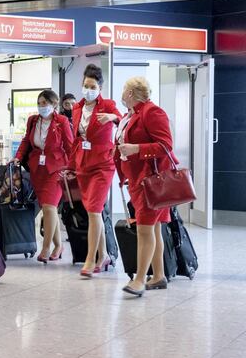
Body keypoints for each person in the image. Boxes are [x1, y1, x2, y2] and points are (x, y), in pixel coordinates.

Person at [115, 76, 176, 297]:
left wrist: (136, 149)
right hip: (138, 179)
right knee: (154, 227)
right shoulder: (130, 115)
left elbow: (166, 145)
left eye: (124, 89)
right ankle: (158, 275)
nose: (122, 93)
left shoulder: (152, 112)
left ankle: (140, 279)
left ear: (130, 93)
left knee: (144, 228)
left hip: (151, 181)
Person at [71, 64, 121, 277]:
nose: (88, 89)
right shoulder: (77, 108)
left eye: (92, 86)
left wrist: (112, 117)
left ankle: (90, 259)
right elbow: (76, 140)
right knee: (95, 212)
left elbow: (122, 118)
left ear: (100, 87)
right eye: (85, 85)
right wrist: (70, 165)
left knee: (93, 210)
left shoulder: (108, 105)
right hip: (83, 164)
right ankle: (104, 256)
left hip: (102, 164)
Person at [14, 89, 73, 263]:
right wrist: (18, 157)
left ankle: (46, 247)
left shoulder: (61, 121)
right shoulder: (33, 120)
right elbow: (26, 140)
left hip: (56, 168)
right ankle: (58, 245)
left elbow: (70, 146)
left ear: (54, 104)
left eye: (45, 103)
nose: (42, 107)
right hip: (37, 169)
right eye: (39, 103)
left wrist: (71, 167)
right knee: (49, 209)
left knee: (49, 207)